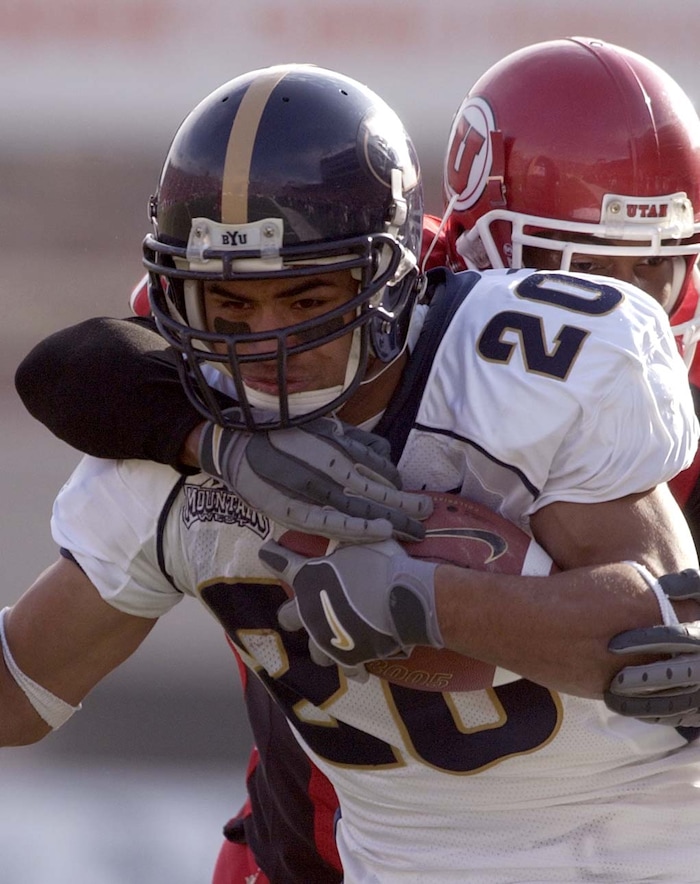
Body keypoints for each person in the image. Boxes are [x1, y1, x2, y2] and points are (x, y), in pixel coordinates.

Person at [7, 58, 700, 884]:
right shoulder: (173, 450)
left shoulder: (530, 366)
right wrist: (216, 444)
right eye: (232, 304)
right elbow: (20, 687)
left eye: (306, 300)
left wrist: (423, 600)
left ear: (395, 275)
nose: (268, 341)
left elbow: (663, 639)